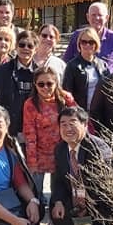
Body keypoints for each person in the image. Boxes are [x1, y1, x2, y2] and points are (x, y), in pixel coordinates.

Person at [49, 106, 113, 225]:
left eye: (73, 123)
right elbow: (59, 180)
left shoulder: (97, 148)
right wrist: (58, 201)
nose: (68, 128)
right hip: (76, 195)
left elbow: (111, 187)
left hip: (101, 199)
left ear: (85, 125)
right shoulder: (60, 149)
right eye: (63, 124)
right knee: (55, 204)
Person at [23, 66, 77, 197]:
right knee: (36, 195)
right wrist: (32, 162)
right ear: (35, 85)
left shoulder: (66, 99)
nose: (45, 87)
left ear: (56, 83)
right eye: (41, 84)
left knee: (59, 195)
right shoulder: (30, 104)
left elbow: (78, 122)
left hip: (62, 153)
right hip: (39, 153)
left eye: (49, 83)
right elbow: (29, 135)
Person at [0, 30, 39, 144]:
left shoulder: (40, 73)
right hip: (8, 128)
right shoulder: (3, 70)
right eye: (22, 45)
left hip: (33, 129)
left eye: (30, 46)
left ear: (35, 49)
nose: (25, 48)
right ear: (16, 47)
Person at [63, 2, 113, 71]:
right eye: (93, 15)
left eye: (100, 15)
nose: (97, 18)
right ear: (88, 17)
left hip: (107, 80)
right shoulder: (78, 35)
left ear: (107, 18)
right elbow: (66, 62)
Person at [62, 27, 109, 111]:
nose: (87, 45)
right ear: (79, 44)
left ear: (96, 44)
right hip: (79, 112)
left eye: (91, 42)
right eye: (84, 42)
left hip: (99, 114)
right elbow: (67, 93)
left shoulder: (103, 65)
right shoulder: (72, 66)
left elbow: (108, 91)